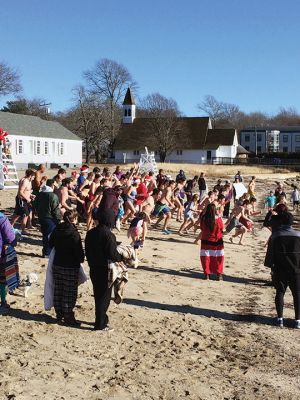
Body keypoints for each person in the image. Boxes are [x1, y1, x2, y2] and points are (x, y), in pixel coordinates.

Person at [85, 208, 123, 331]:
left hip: (93, 268)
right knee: (104, 297)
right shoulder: (108, 234)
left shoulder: (90, 233)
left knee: (98, 295)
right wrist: (121, 256)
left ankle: (101, 319)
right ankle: (100, 324)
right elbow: (112, 255)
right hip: (105, 269)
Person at [264, 212, 300, 329]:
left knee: (280, 292)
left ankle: (280, 319)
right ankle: (298, 320)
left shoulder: (276, 235)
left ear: (281, 222)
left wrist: (270, 265)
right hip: (296, 270)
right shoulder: (298, 235)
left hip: (280, 269)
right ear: (292, 222)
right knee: (297, 294)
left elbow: (270, 254)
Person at [49, 210, 84, 325]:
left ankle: (59, 314)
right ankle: (68, 316)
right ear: (74, 219)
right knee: (69, 292)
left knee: (58, 289)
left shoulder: (57, 228)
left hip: (57, 263)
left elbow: (50, 243)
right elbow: (78, 250)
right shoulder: (73, 232)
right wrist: (81, 259)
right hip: (70, 265)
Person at [35, 179, 62, 257]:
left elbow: (35, 205)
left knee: (45, 235)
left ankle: (45, 251)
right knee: (49, 236)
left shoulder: (40, 194)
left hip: (41, 217)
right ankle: (47, 253)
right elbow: (55, 209)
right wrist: (58, 219)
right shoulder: (53, 196)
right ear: (52, 185)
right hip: (50, 218)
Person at [200, 203, 224, 280]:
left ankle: (207, 274)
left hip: (206, 240)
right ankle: (219, 274)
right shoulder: (218, 219)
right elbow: (221, 228)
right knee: (218, 257)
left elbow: (202, 228)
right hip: (217, 240)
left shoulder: (203, 218)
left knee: (206, 257)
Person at [0, 211, 19, 312]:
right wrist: (14, 241)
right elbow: (9, 237)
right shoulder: (2, 219)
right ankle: (2, 301)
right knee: (2, 279)